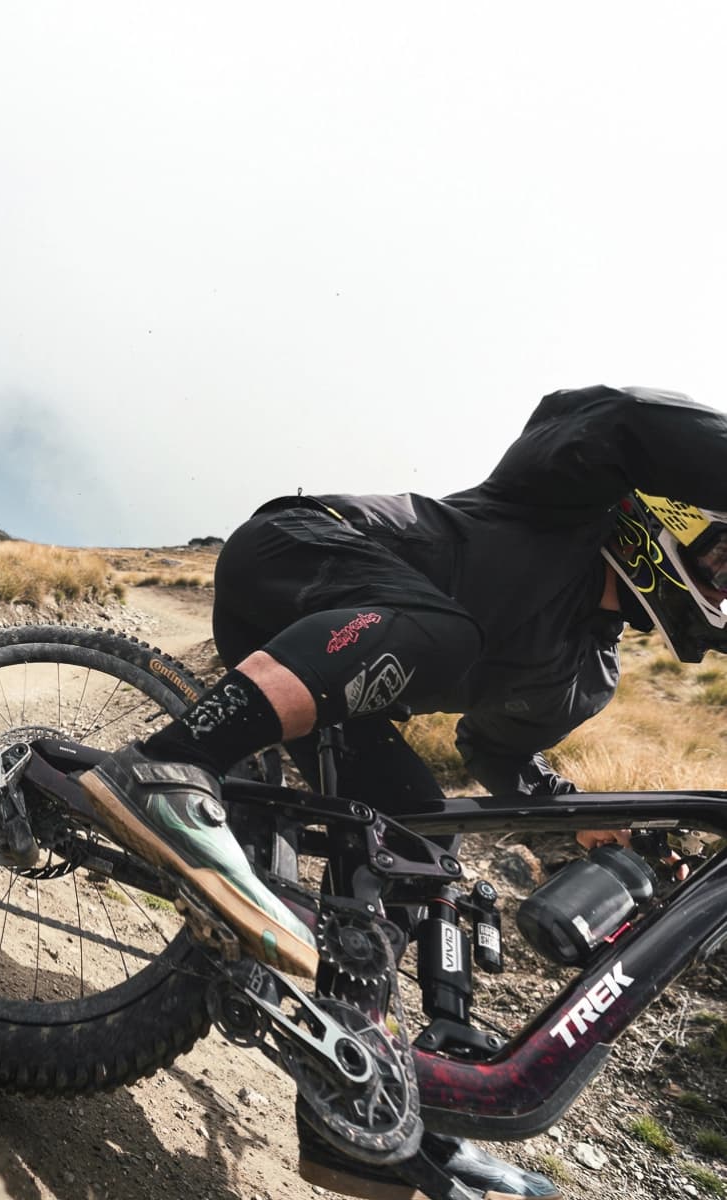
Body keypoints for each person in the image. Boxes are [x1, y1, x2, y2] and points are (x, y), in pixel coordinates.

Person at [79, 384, 727, 1200]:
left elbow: (495, 751)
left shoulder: (582, 681)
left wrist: (581, 828)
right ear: (667, 518)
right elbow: (610, 414)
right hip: (301, 549)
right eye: (723, 558)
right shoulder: (567, 499)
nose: (724, 586)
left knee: (416, 838)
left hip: (333, 679)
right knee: (449, 637)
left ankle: (352, 1105)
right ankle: (158, 768)